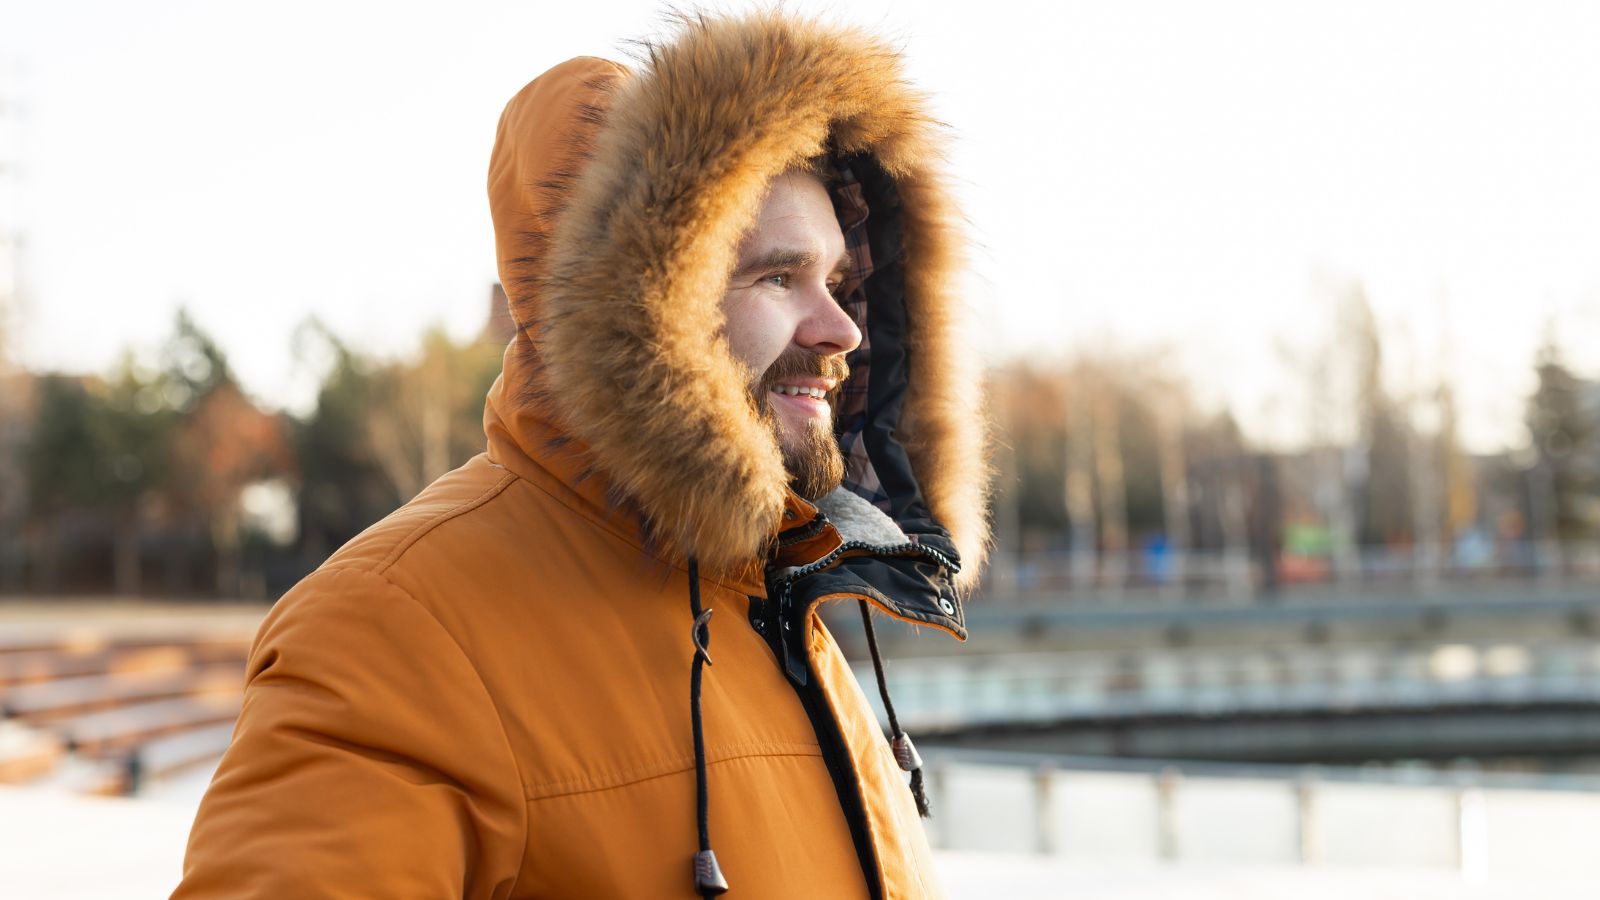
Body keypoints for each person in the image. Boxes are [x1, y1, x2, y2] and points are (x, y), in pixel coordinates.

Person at [173, 10, 988, 899]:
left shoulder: (773, 603)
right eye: (777, 276)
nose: (840, 329)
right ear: (648, 308)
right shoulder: (395, 630)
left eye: (839, 281)